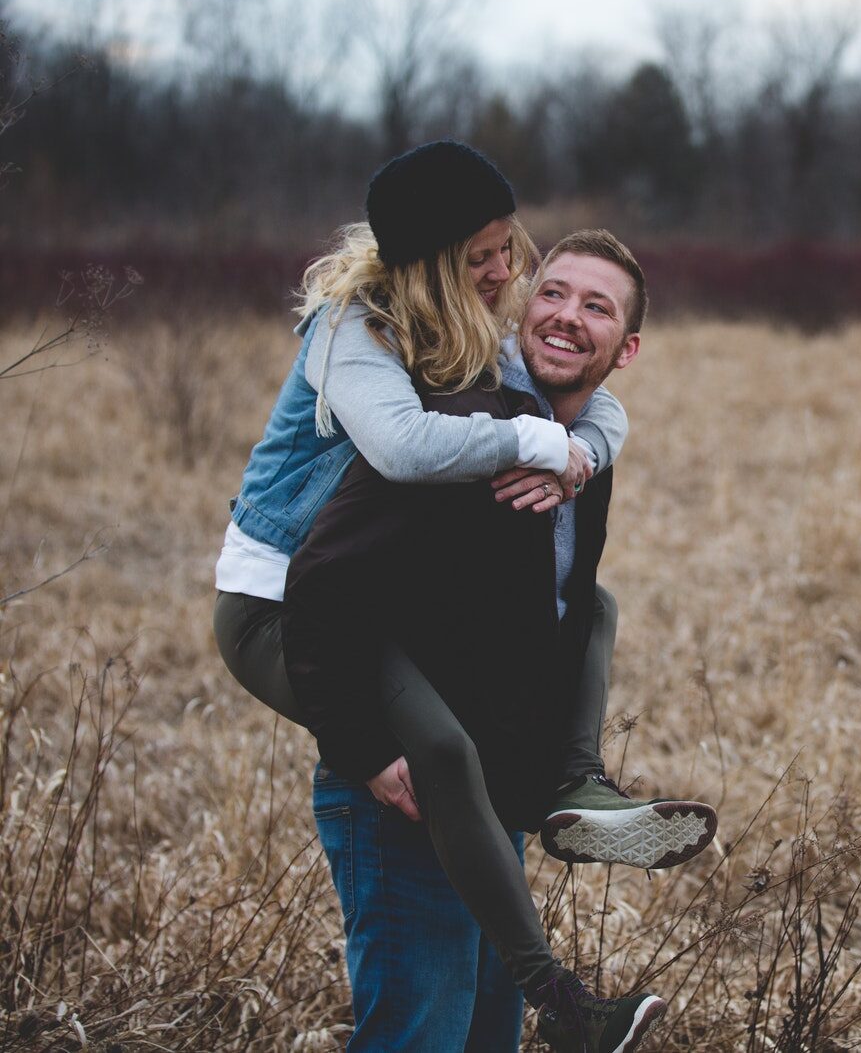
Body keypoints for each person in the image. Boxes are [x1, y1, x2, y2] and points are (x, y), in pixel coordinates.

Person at [211, 143, 712, 1049]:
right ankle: (562, 1000)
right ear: (435, 262)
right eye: (483, 255)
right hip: (285, 597)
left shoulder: (472, 336)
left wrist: (580, 453)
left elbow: (587, 401)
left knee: (592, 609)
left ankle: (574, 782)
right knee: (436, 751)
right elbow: (403, 453)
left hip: (375, 622)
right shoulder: (358, 330)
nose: (506, 271)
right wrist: (535, 442)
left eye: (509, 247)